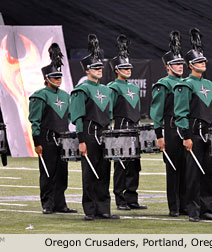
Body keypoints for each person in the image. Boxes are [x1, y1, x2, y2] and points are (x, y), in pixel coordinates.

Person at [173, 28, 212, 222]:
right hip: (193, 133)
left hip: (209, 133)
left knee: (208, 174)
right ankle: (193, 211)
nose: (203, 64)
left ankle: (207, 210)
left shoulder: (210, 85)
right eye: (199, 62)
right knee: (193, 174)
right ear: (191, 65)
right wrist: (186, 136)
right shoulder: (185, 85)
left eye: (204, 61)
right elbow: (181, 113)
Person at [70, 34, 119, 221]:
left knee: (105, 172)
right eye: (95, 67)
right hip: (89, 135)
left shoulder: (108, 90)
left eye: (100, 67)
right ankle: (90, 209)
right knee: (89, 173)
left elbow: (110, 115)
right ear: (87, 70)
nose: (99, 70)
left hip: (105, 134)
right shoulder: (81, 90)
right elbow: (78, 117)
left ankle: (104, 209)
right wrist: (81, 140)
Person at [29, 43, 77, 215]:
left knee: (62, 174)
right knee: (47, 173)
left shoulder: (65, 95)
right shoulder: (39, 96)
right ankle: (47, 204)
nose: (58, 80)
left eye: (59, 77)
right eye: (55, 77)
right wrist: (37, 141)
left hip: (63, 139)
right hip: (47, 139)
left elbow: (70, 116)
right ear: (47, 78)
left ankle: (60, 204)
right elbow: (35, 120)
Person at [107, 35, 146, 211]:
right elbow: (109, 110)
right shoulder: (112, 87)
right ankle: (120, 198)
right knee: (121, 164)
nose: (128, 69)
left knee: (134, 164)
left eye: (129, 67)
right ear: (116, 69)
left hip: (134, 128)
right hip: (121, 127)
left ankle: (132, 197)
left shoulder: (135, 88)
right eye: (124, 67)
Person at [150, 31, 187, 217]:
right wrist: (159, 135)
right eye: (176, 64)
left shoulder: (187, 83)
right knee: (173, 168)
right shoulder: (163, 84)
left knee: (187, 168)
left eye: (181, 63)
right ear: (167, 66)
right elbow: (156, 112)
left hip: (186, 129)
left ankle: (186, 205)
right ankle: (174, 207)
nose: (180, 67)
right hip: (171, 129)